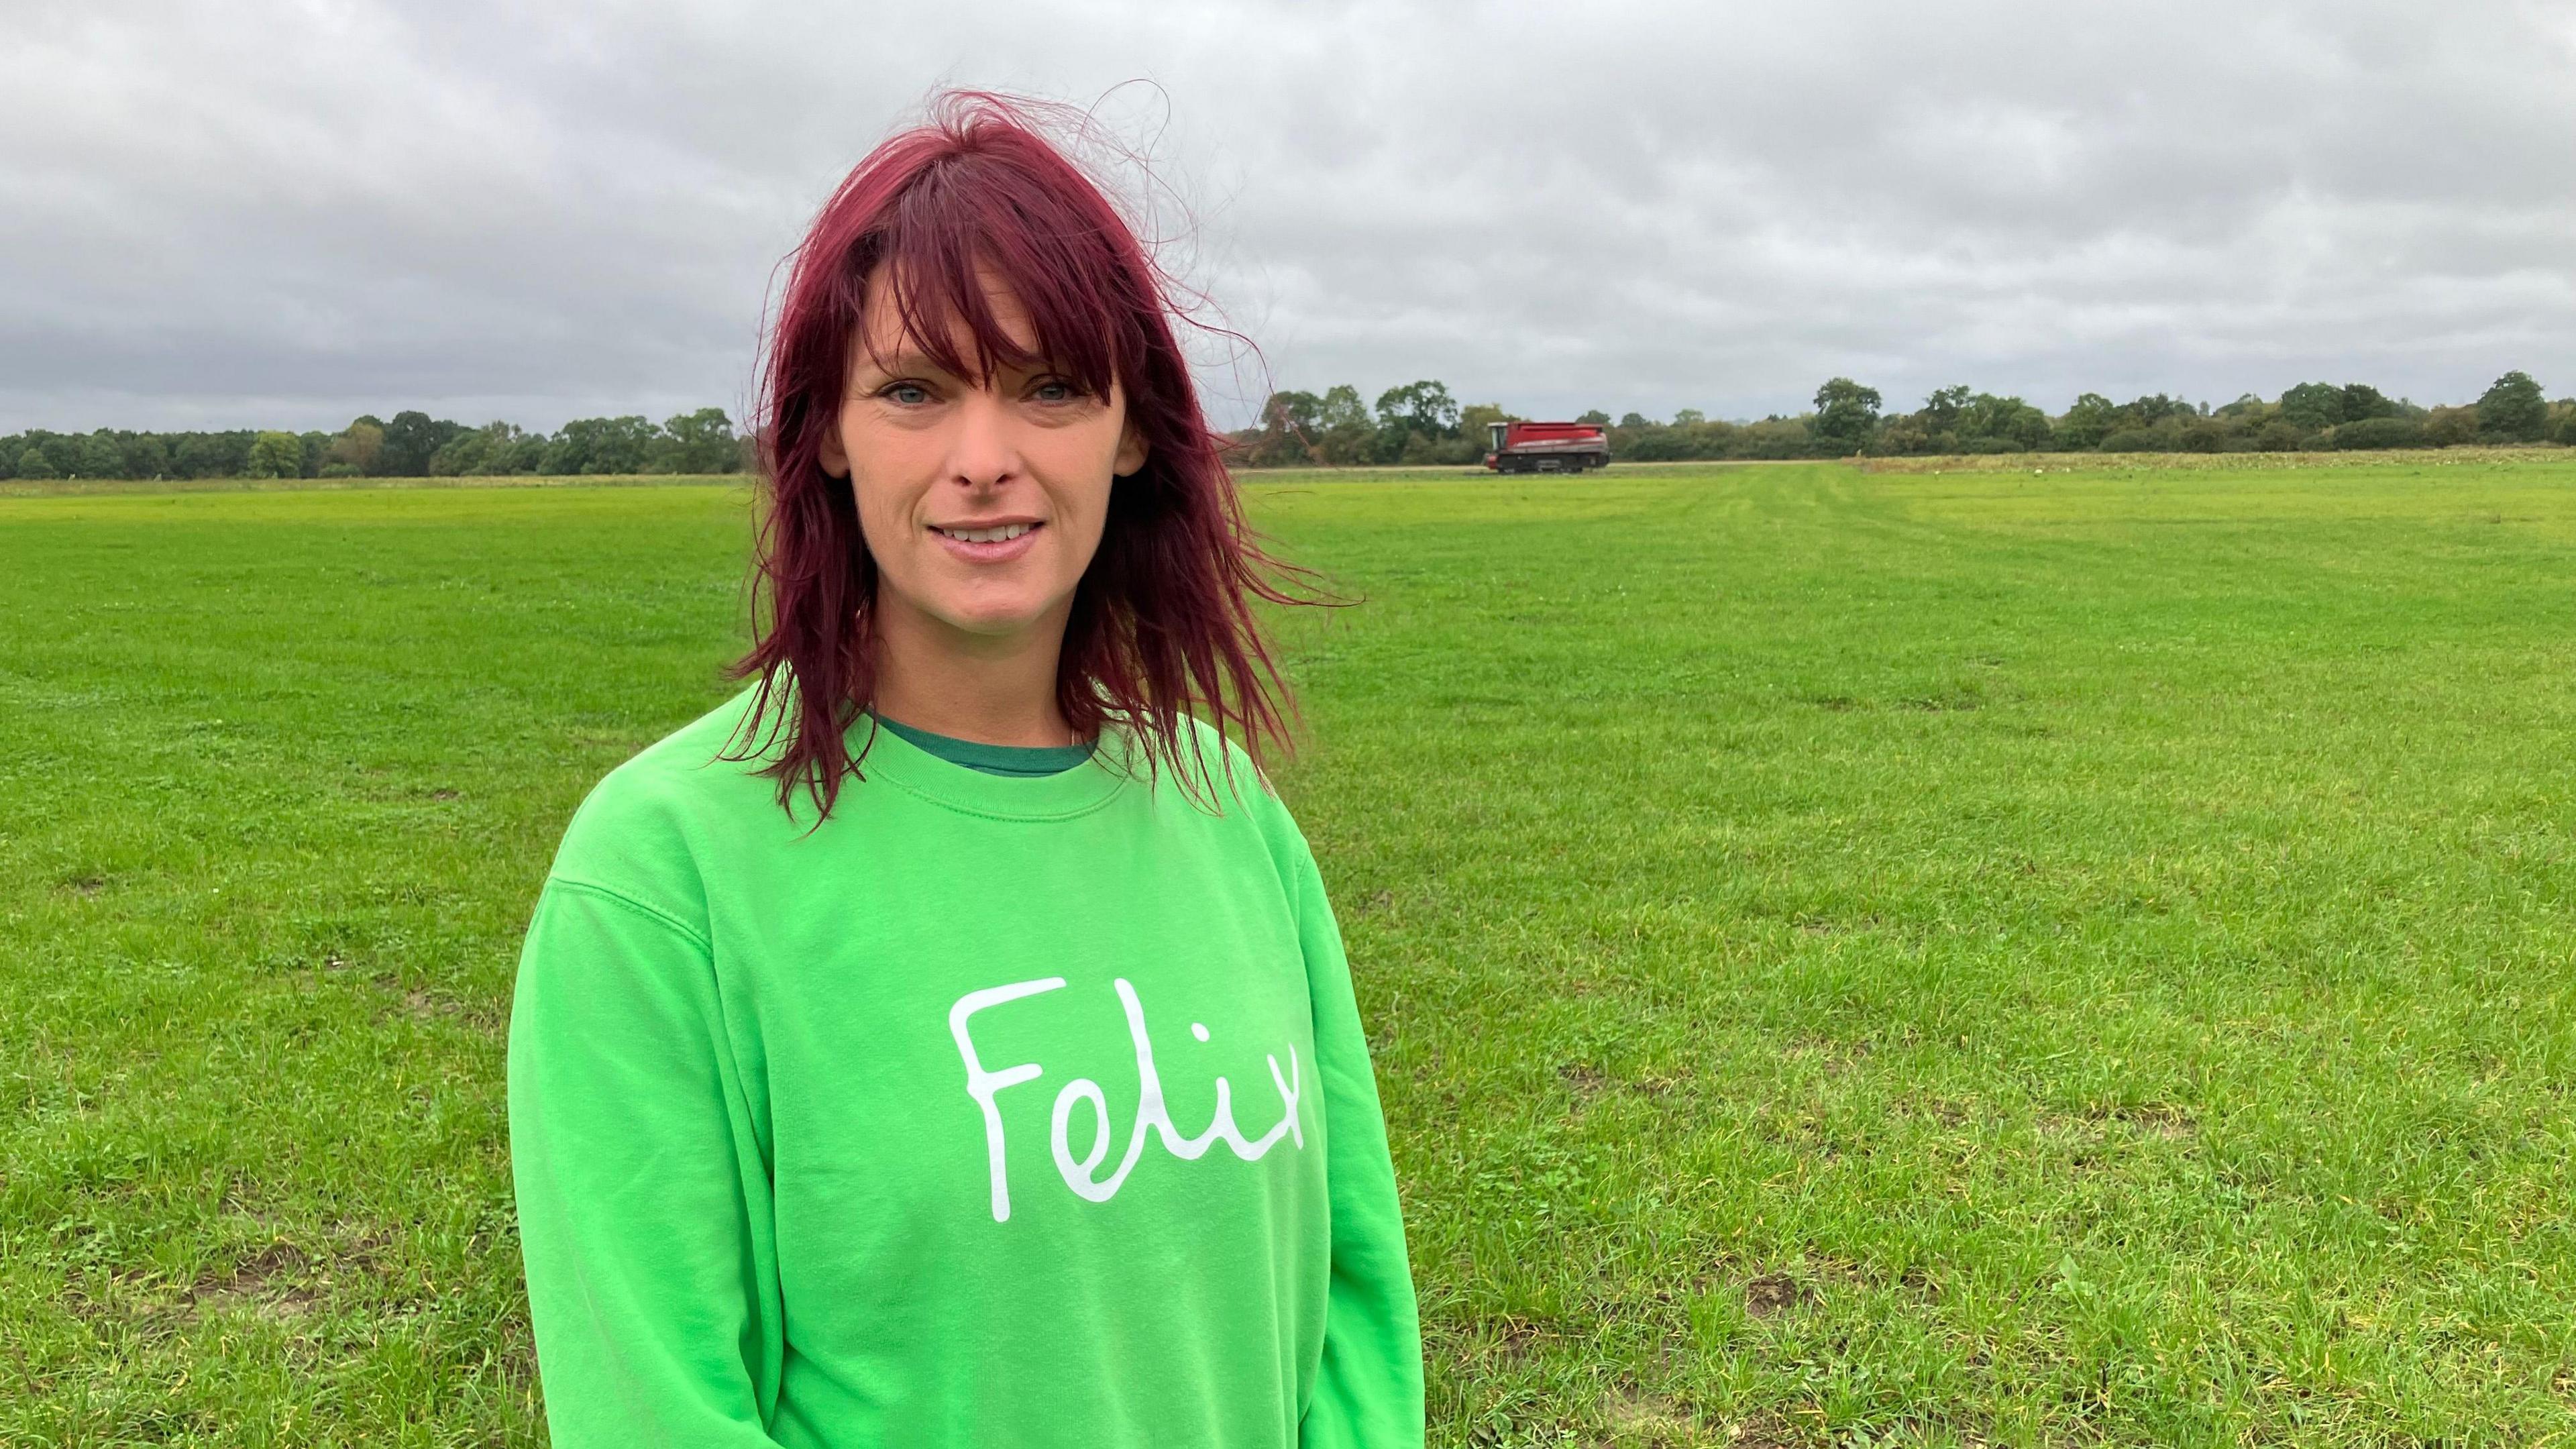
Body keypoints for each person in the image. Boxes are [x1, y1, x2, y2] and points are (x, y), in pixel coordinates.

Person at [505, 93, 1424, 1447]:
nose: (983, 460)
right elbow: (660, 1405)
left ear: (1130, 428)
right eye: (914, 391)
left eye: (1050, 385)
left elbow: (1355, 1302)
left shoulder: (1229, 809)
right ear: (825, 432)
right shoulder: (661, 873)